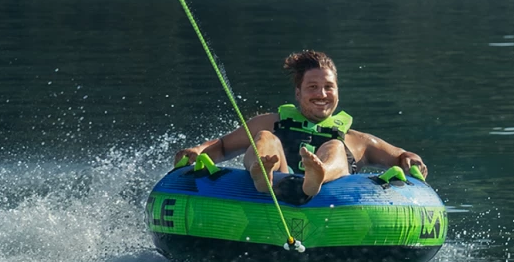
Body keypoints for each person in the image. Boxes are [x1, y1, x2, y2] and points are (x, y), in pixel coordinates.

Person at [173, 50, 427, 198]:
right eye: (312, 87)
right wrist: (197, 151)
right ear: (298, 93)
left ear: (338, 91)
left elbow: (401, 157)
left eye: (329, 87)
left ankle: (318, 176)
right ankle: (264, 175)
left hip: (330, 204)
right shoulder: (272, 122)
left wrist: (410, 158)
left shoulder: (358, 140)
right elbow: (223, 146)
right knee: (263, 137)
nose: (322, 94)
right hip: (276, 184)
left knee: (335, 147)